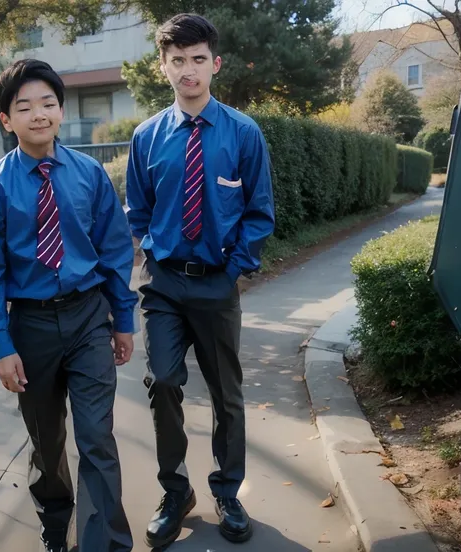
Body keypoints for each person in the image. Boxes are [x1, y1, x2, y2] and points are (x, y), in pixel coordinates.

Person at [0, 58, 137, 552]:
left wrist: (122, 320)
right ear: (6, 119)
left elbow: (114, 251)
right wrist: (1, 344)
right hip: (31, 327)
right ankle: (57, 521)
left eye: (47, 103)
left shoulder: (89, 175)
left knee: (97, 439)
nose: (38, 114)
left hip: (87, 319)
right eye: (24, 107)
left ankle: (105, 543)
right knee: (47, 442)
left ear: (60, 110)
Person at [125, 13, 276, 548]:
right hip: (164, 285)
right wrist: (150, 253)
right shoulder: (146, 137)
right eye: (176, 60)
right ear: (162, 66)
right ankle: (175, 491)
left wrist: (233, 268)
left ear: (215, 63)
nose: (187, 70)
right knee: (164, 382)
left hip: (217, 284)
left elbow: (259, 213)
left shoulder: (243, 133)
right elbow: (137, 210)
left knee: (225, 394)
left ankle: (228, 490)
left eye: (197, 59)